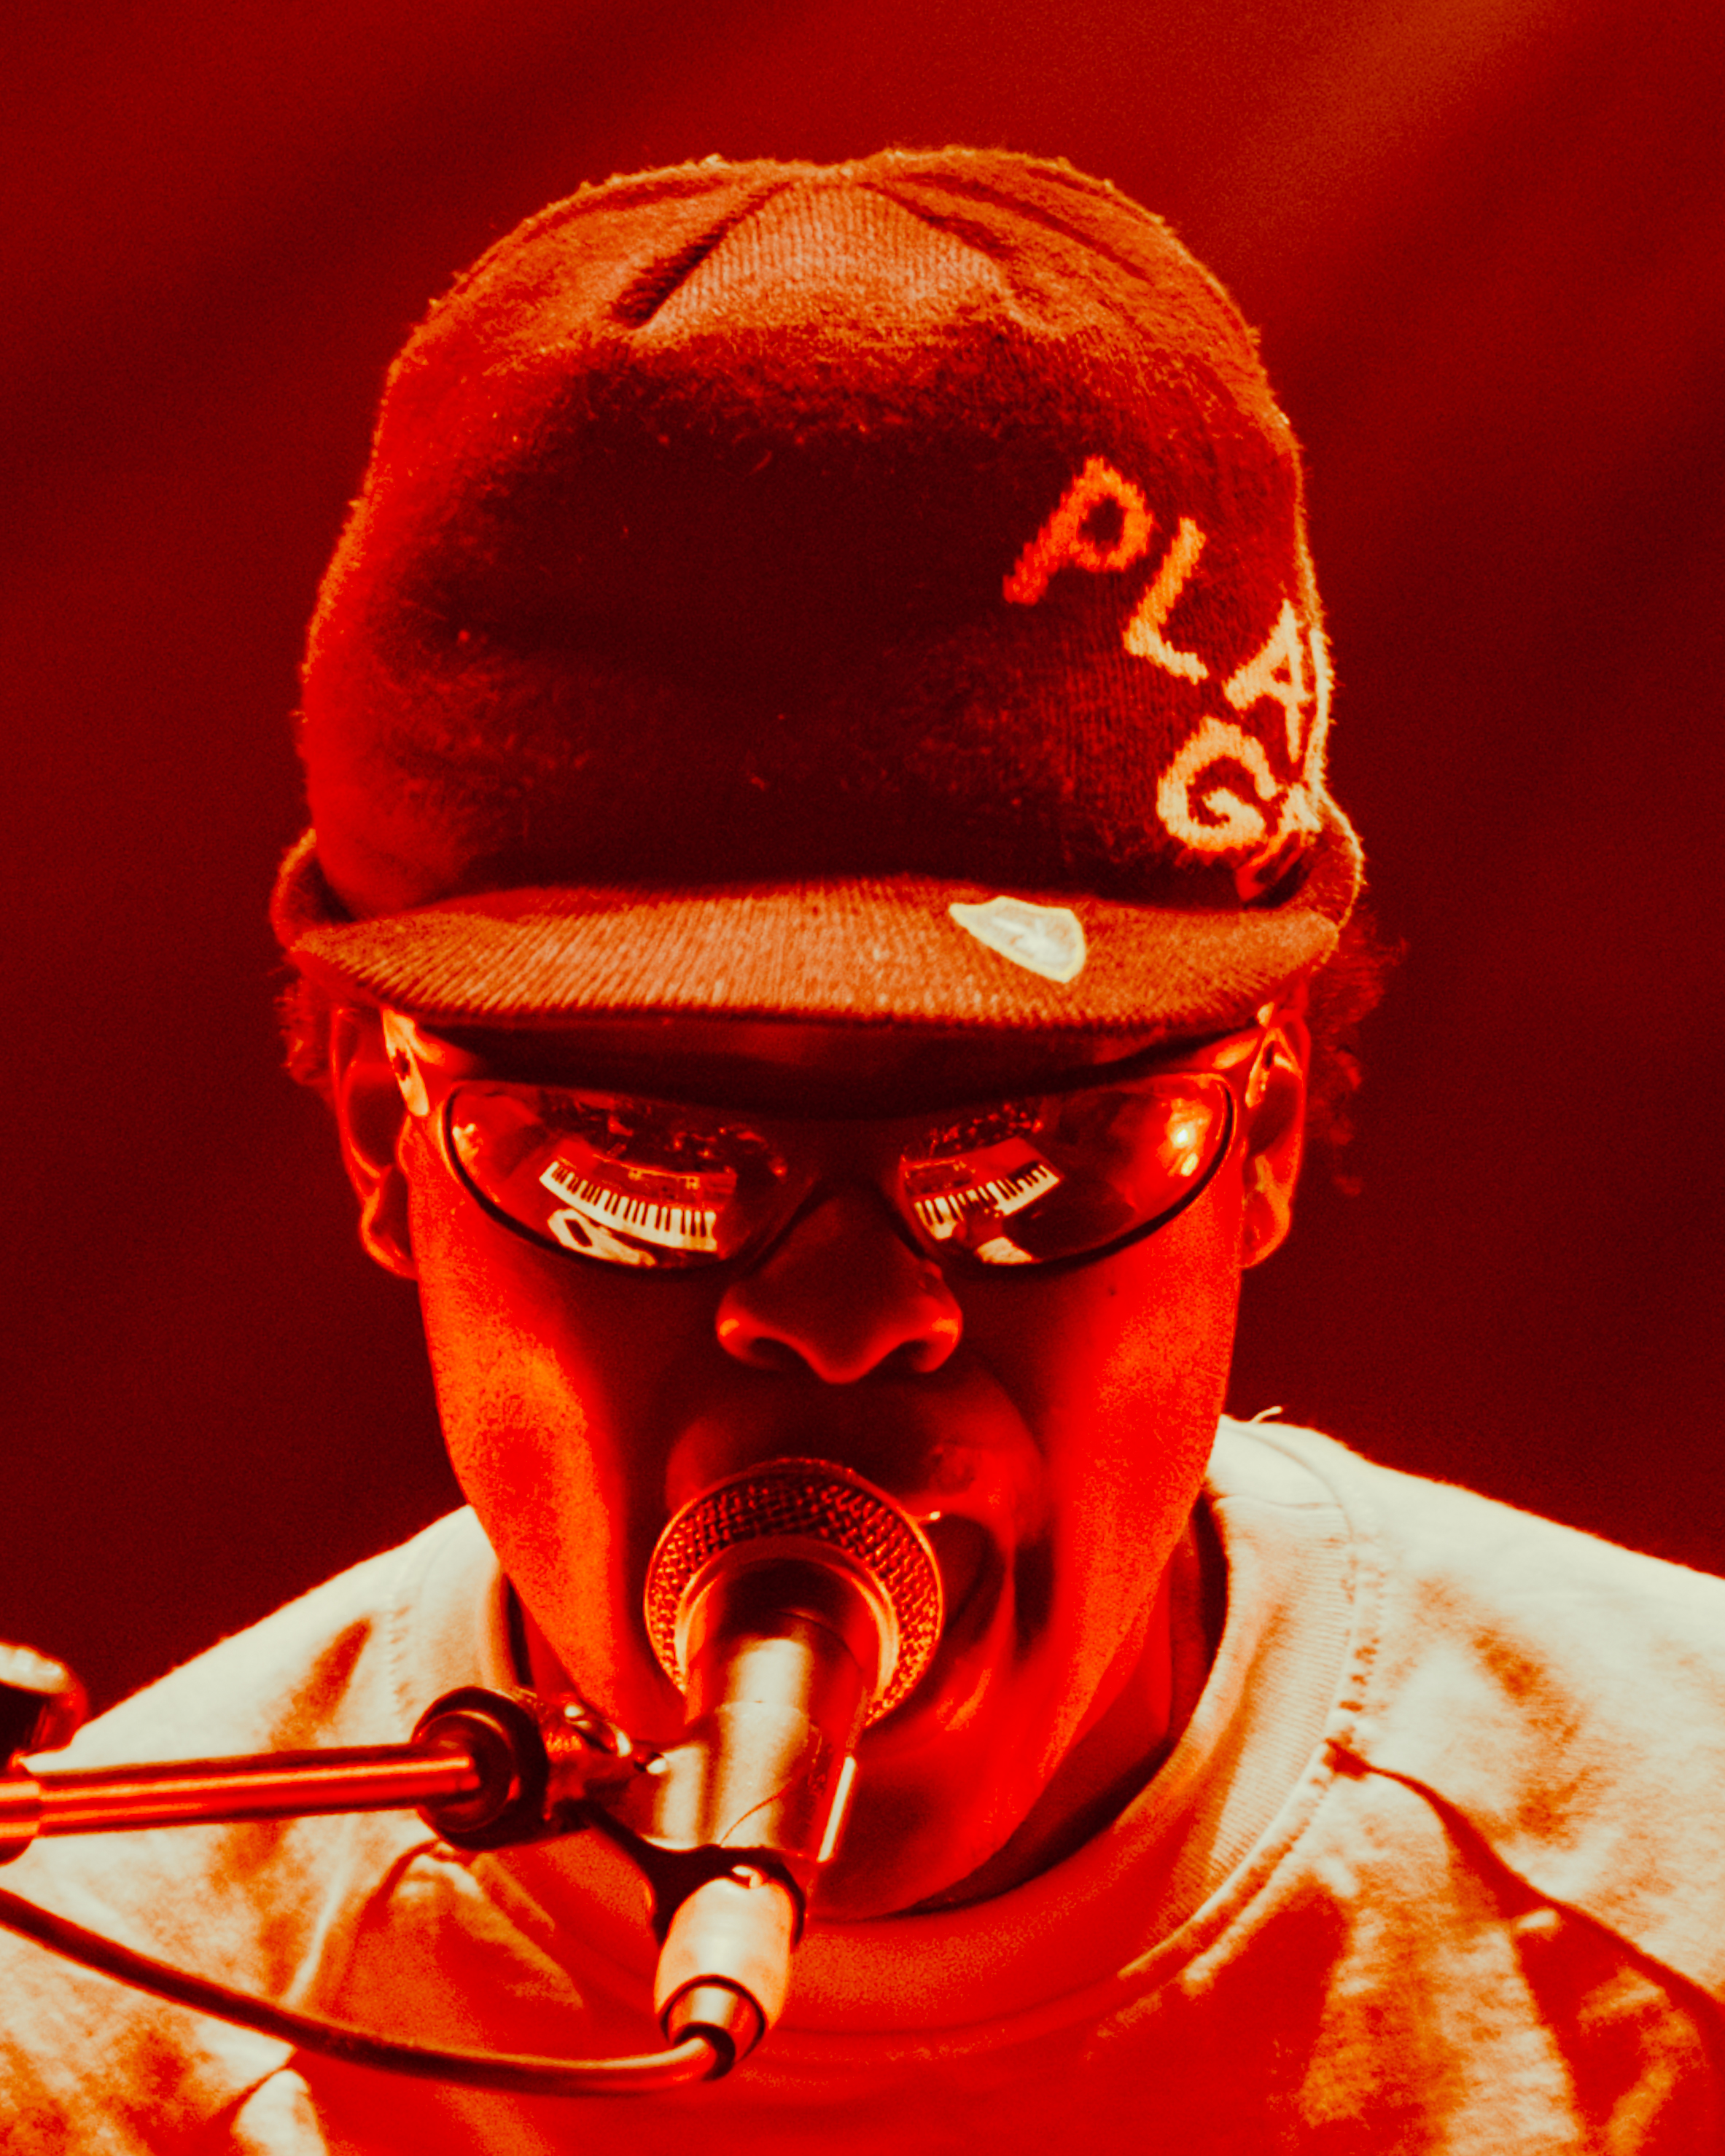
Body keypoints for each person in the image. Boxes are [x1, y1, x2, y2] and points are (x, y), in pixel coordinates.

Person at [3, 146, 1723, 2152]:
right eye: (646, 1151)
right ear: (385, 1141)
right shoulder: (91, 2054)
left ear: (1263, 1130)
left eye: (1025, 1157)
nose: (843, 1320)